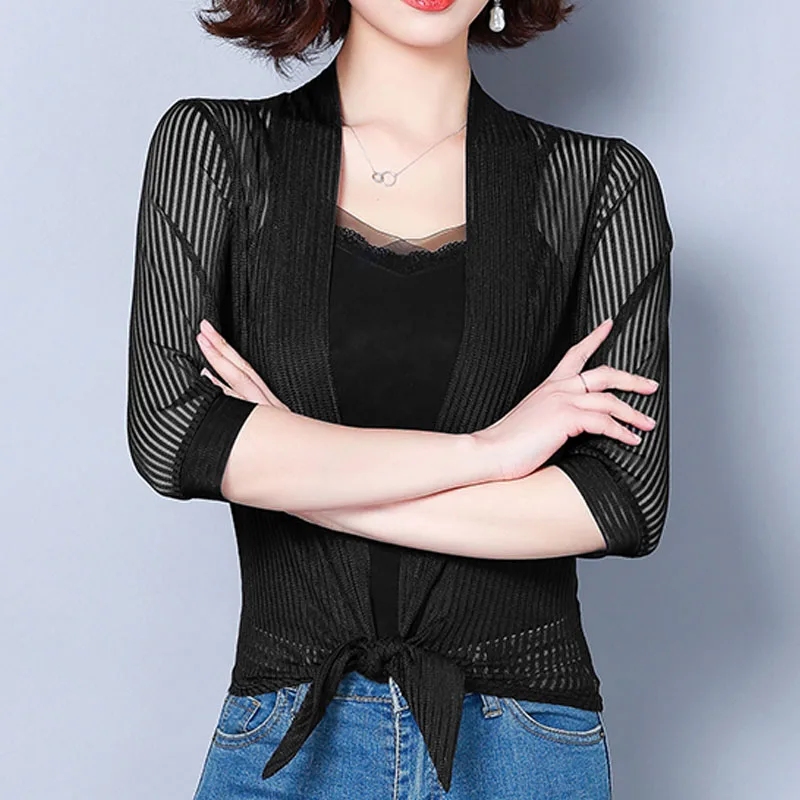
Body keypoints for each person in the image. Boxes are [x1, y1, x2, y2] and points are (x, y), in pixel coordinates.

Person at [126, 1, 673, 797]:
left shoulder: (597, 185)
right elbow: (173, 436)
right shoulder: (220, 150)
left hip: (523, 746)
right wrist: (488, 454)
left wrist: (301, 481)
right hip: (289, 736)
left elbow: (622, 502)